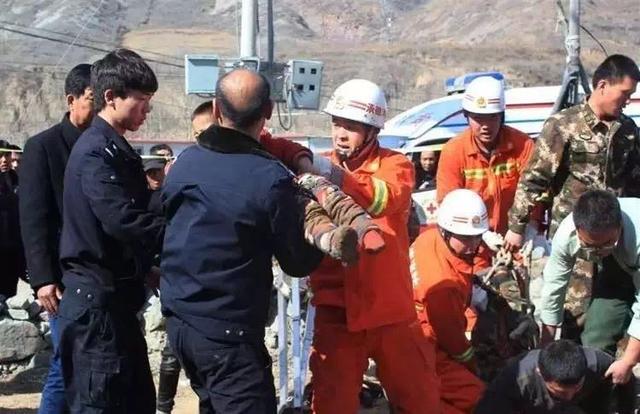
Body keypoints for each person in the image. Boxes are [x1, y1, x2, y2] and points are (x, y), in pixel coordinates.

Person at [160, 69, 322, 413]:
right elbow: (297, 262)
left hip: (181, 324)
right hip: (227, 336)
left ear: (215, 110)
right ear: (268, 112)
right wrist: (315, 214)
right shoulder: (269, 178)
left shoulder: (185, 162)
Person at [308, 79, 440, 413]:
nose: (340, 134)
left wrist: (325, 173)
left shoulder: (396, 166)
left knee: (419, 400)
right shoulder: (316, 168)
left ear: (372, 130)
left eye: (351, 127)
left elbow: (380, 198)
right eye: (337, 124)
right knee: (332, 404)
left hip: (389, 309)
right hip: (337, 309)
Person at [57, 49, 164, 413]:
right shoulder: (95, 153)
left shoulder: (116, 150)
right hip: (96, 308)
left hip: (117, 301)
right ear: (111, 97)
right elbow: (121, 219)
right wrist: (179, 234)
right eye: (141, 100)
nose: (146, 110)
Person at [18, 63, 93, 414]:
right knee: (67, 362)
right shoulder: (43, 147)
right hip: (62, 278)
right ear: (71, 99)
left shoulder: (105, 145)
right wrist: (43, 279)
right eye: (92, 98)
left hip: (98, 275)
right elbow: (33, 219)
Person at [538, 191, 640, 385]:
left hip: (632, 254)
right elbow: (554, 288)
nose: (599, 252)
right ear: (578, 231)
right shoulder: (567, 234)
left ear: (619, 226)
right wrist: (545, 349)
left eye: (607, 244)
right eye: (591, 247)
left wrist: (628, 361)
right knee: (595, 340)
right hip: (619, 271)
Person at [412, 189, 489, 413]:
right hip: (423, 347)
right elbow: (453, 342)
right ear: (446, 231)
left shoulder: (428, 238)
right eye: (465, 238)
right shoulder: (443, 286)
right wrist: (472, 365)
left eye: (477, 236)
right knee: (479, 399)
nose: (473, 245)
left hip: (412, 334)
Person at [437, 76, 534, 235]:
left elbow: (535, 190)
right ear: (466, 117)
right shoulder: (454, 151)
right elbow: (448, 201)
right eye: (478, 118)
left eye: (492, 117)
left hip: (517, 233)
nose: (486, 126)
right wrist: (478, 235)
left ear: (502, 116)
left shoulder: (523, 145)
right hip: (471, 234)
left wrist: (527, 228)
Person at [474, 339, 636, 414]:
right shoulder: (515, 379)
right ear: (539, 372)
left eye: (577, 388)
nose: (569, 396)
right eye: (560, 393)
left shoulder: (598, 363)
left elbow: (626, 382)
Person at [0, 139, 24, 299]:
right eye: (0, 156)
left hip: (13, 246)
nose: (4, 160)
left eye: (7, 155)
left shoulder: (15, 179)